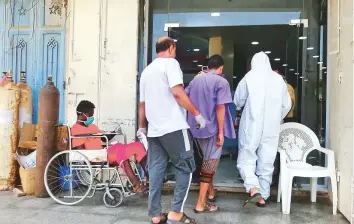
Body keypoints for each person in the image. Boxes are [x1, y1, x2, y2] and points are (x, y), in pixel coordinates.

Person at [138, 37, 205, 224]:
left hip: (154, 131)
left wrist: (142, 127)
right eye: (174, 48)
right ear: (171, 48)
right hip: (174, 127)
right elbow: (177, 92)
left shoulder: (147, 71)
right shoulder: (171, 63)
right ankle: (176, 212)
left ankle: (155, 215)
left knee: (156, 171)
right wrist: (197, 114)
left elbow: (142, 104)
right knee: (186, 167)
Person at [234, 52, 291, 207]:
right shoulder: (279, 80)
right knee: (267, 158)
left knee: (247, 153)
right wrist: (276, 117)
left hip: (252, 123)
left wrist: (240, 108)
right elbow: (287, 105)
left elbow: (238, 99)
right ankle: (263, 196)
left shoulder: (249, 77)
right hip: (271, 126)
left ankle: (253, 187)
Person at [185, 54, 236, 213]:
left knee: (206, 161)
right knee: (210, 164)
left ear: (207, 67)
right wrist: (221, 132)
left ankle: (210, 193)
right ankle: (200, 204)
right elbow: (221, 108)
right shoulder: (222, 81)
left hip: (196, 128)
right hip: (212, 128)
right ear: (221, 68)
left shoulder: (196, 80)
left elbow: (184, 96)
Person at [71, 100, 149, 195]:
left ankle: (150, 178)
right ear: (82, 114)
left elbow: (104, 138)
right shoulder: (76, 129)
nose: (91, 117)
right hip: (96, 157)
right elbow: (81, 151)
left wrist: (113, 132)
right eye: (90, 115)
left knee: (137, 145)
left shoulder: (92, 126)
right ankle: (136, 185)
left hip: (105, 152)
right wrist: (98, 151)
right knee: (119, 148)